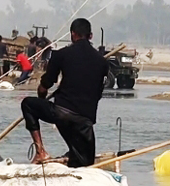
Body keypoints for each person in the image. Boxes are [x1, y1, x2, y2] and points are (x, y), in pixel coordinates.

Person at [21, 18, 109, 166]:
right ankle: (72, 157)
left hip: (62, 113)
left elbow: (45, 85)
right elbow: (98, 94)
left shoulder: (61, 55)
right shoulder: (102, 62)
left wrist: (42, 97)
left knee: (28, 104)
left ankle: (40, 152)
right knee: (86, 164)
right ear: (91, 36)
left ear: (73, 34)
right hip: (86, 120)